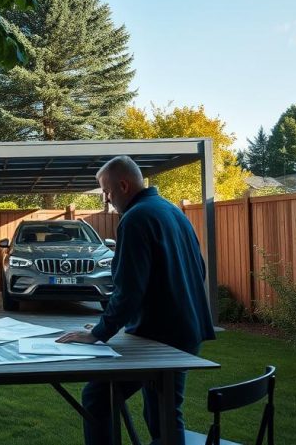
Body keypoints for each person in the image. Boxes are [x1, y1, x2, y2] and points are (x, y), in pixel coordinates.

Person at [57, 155, 215, 445]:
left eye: (106, 192)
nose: (106, 200)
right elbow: (200, 269)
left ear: (124, 185)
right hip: (185, 331)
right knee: (163, 415)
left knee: (97, 397)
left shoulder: (135, 218)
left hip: (162, 338)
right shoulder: (171, 211)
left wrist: (98, 333)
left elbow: (129, 290)